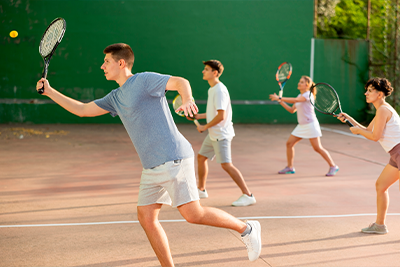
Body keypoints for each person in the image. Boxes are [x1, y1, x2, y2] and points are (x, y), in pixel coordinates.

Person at [35, 43, 262, 266]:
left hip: (174, 158)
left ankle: (247, 229)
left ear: (121, 63)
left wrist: (187, 98)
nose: (102, 67)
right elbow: (83, 110)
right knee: (146, 218)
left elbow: (180, 82)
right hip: (151, 167)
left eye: (106, 62)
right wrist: (50, 92)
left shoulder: (143, 80)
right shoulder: (115, 97)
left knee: (193, 215)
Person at [337, 77, 399, 235]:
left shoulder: (384, 110)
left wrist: (358, 131)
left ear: (379, 94)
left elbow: (375, 136)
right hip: (395, 154)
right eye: (367, 90)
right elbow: (368, 129)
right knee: (381, 186)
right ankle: (379, 225)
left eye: (370, 90)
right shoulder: (381, 110)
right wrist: (349, 120)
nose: (366, 93)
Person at [191, 60, 256, 207]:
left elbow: (221, 116)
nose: (203, 71)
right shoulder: (212, 89)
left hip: (221, 134)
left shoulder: (219, 90)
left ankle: (248, 195)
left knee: (226, 165)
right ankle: (201, 190)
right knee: (201, 157)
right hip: (214, 134)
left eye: (206, 69)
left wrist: (204, 127)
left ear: (214, 73)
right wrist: (198, 116)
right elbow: (213, 113)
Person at [269, 75, 339, 176]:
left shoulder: (308, 95)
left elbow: (296, 101)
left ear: (307, 85)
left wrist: (280, 97)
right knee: (289, 144)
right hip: (302, 126)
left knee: (317, 148)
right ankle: (290, 167)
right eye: (299, 81)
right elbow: (292, 110)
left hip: (310, 125)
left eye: (301, 82)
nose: (299, 83)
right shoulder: (299, 96)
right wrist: (280, 101)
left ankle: (333, 166)